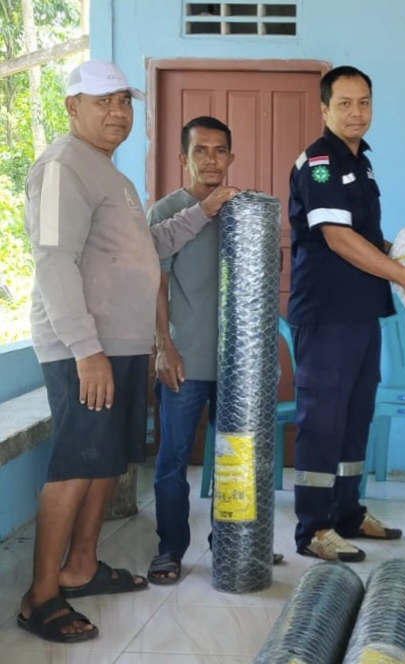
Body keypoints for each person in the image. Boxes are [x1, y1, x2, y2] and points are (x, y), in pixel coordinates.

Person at [18, 60, 238, 643]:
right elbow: (53, 261)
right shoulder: (63, 166)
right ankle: (40, 597)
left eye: (124, 101)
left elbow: (150, 245)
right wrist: (85, 349)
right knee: (75, 464)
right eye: (103, 101)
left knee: (107, 462)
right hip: (85, 348)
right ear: (72, 107)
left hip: (119, 344)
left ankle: (81, 566)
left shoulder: (109, 173)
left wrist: (203, 212)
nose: (118, 112)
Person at [287, 65, 405, 562]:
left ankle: (347, 512)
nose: (357, 112)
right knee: (322, 421)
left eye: (364, 102)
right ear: (324, 109)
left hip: (361, 312)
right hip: (326, 314)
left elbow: (367, 238)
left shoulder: (361, 163)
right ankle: (315, 527)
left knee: (355, 417)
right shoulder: (320, 163)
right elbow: (337, 237)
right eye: (345, 103)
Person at [146, 116, 238, 585]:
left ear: (231, 158)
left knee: (236, 459)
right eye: (200, 150)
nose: (211, 159)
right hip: (185, 361)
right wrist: (164, 347)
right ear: (184, 158)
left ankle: (233, 544)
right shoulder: (166, 212)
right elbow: (155, 285)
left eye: (219, 150)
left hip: (237, 366)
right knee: (172, 461)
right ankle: (170, 548)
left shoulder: (243, 211)